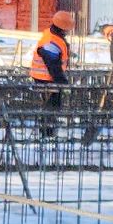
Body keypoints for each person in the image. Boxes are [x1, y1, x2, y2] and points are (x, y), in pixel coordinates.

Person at [31, 9, 72, 138]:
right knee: (52, 106)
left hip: (45, 77)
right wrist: (62, 82)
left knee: (50, 105)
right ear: (63, 27)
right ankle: (47, 133)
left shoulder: (53, 35)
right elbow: (53, 65)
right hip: (46, 78)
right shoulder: (51, 41)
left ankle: (47, 130)